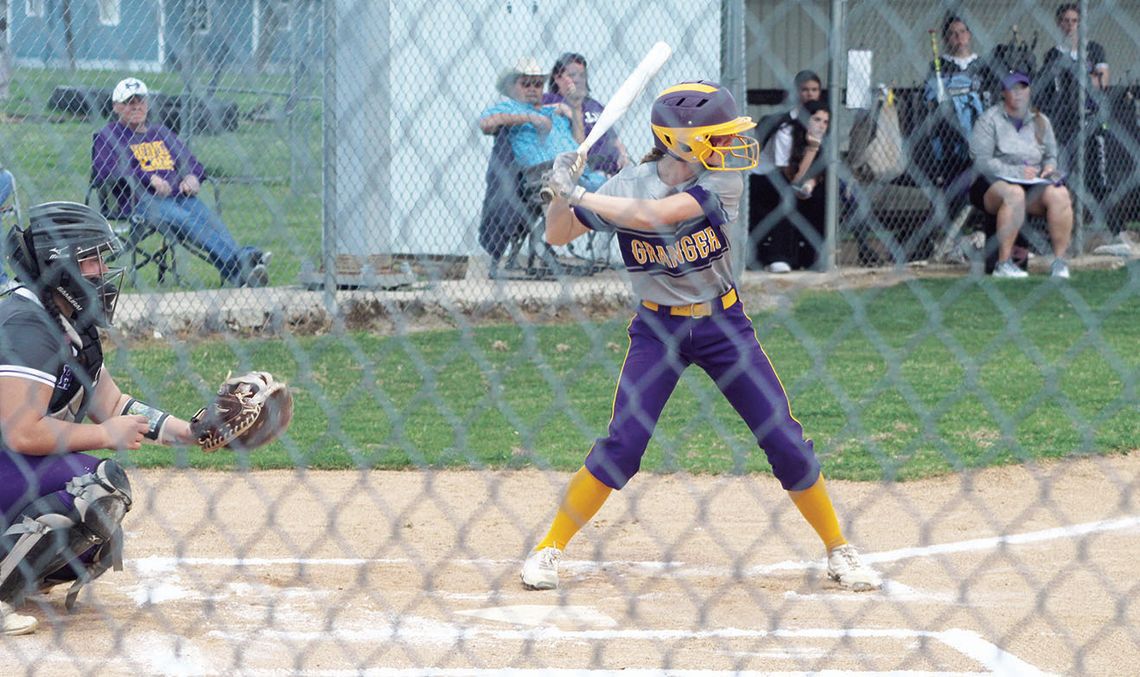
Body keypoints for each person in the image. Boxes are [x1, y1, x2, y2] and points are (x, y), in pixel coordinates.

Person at [524, 80, 882, 594]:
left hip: (722, 324)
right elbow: (558, 233)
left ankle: (838, 549)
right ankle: (549, 548)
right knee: (623, 443)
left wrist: (586, 193)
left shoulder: (723, 181)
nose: (728, 143)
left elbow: (655, 216)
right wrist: (561, 190)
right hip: (657, 329)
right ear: (679, 139)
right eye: (716, 134)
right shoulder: (627, 183)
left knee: (783, 437)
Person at [0, 201, 201, 636]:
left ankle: (19, 571)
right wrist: (103, 435)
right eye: (92, 257)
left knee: (98, 516)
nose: (102, 269)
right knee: (93, 486)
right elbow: (20, 431)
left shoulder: (65, 321)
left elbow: (111, 404)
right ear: (61, 264)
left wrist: (190, 432)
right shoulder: (27, 324)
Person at [91, 77, 270, 288]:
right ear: (116, 107)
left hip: (180, 196)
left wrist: (192, 177)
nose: (136, 106)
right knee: (187, 221)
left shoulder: (161, 133)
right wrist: (147, 177)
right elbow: (104, 170)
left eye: (140, 101)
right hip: (141, 201)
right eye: (130, 102)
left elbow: (191, 162)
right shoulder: (109, 135)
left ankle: (241, 272)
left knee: (209, 220)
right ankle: (244, 260)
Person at [477, 57, 606, 275]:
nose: (532, 89)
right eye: (525, 83)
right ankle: (545, 246)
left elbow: (579, 143)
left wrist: (574, 111)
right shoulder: (508, 108)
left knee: (615, 185)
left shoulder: (553, 112)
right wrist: (528, 117)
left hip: (579, 173)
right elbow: (485, 124)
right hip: (541, 178)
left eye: (537, 84)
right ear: (511, 87)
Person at [968, 72, 1072, 279]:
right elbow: (981, 161)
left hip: (1032, 182)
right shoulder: (989, 120)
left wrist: (1049, 168)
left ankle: (1060, 263)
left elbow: (1051, 155)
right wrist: (1015, 172)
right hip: (992, 183)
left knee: (1060, 194)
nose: (1018, 93)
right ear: (1003, 93)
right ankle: (1003, 264)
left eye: (1022, 88)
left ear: (1029, 90)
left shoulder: (1041, 120)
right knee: (1014, 194)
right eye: (1012, 89)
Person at [749, 70, 823, 273]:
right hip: (767, 177)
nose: (810, 94)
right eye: (805, 90)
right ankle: (779, 257)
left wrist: (812, 182)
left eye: (814, 90)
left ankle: (813, 256)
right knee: (788, 195)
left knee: (821, 197)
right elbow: (786, 172)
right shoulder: (786, 125)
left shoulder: (821, 119)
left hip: (803, 176)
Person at [920, 15, 998, 192]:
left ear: (969, 35)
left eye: (962, 32)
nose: (959, 37)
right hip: (950, 135)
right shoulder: (939, 65)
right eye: (953, 33)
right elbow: (930, 97)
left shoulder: (983, 64)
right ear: (946, 39)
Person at [543, 52, 631, 177]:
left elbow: (614, 139)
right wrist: (561, 108)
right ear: (557, 78)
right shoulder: (550, 100)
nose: (578, 79)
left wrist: (623, 155)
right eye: (572, 75)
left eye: (582, 75)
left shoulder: (595, 105)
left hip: (613, 168)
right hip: (585, 167)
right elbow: (534, 111)